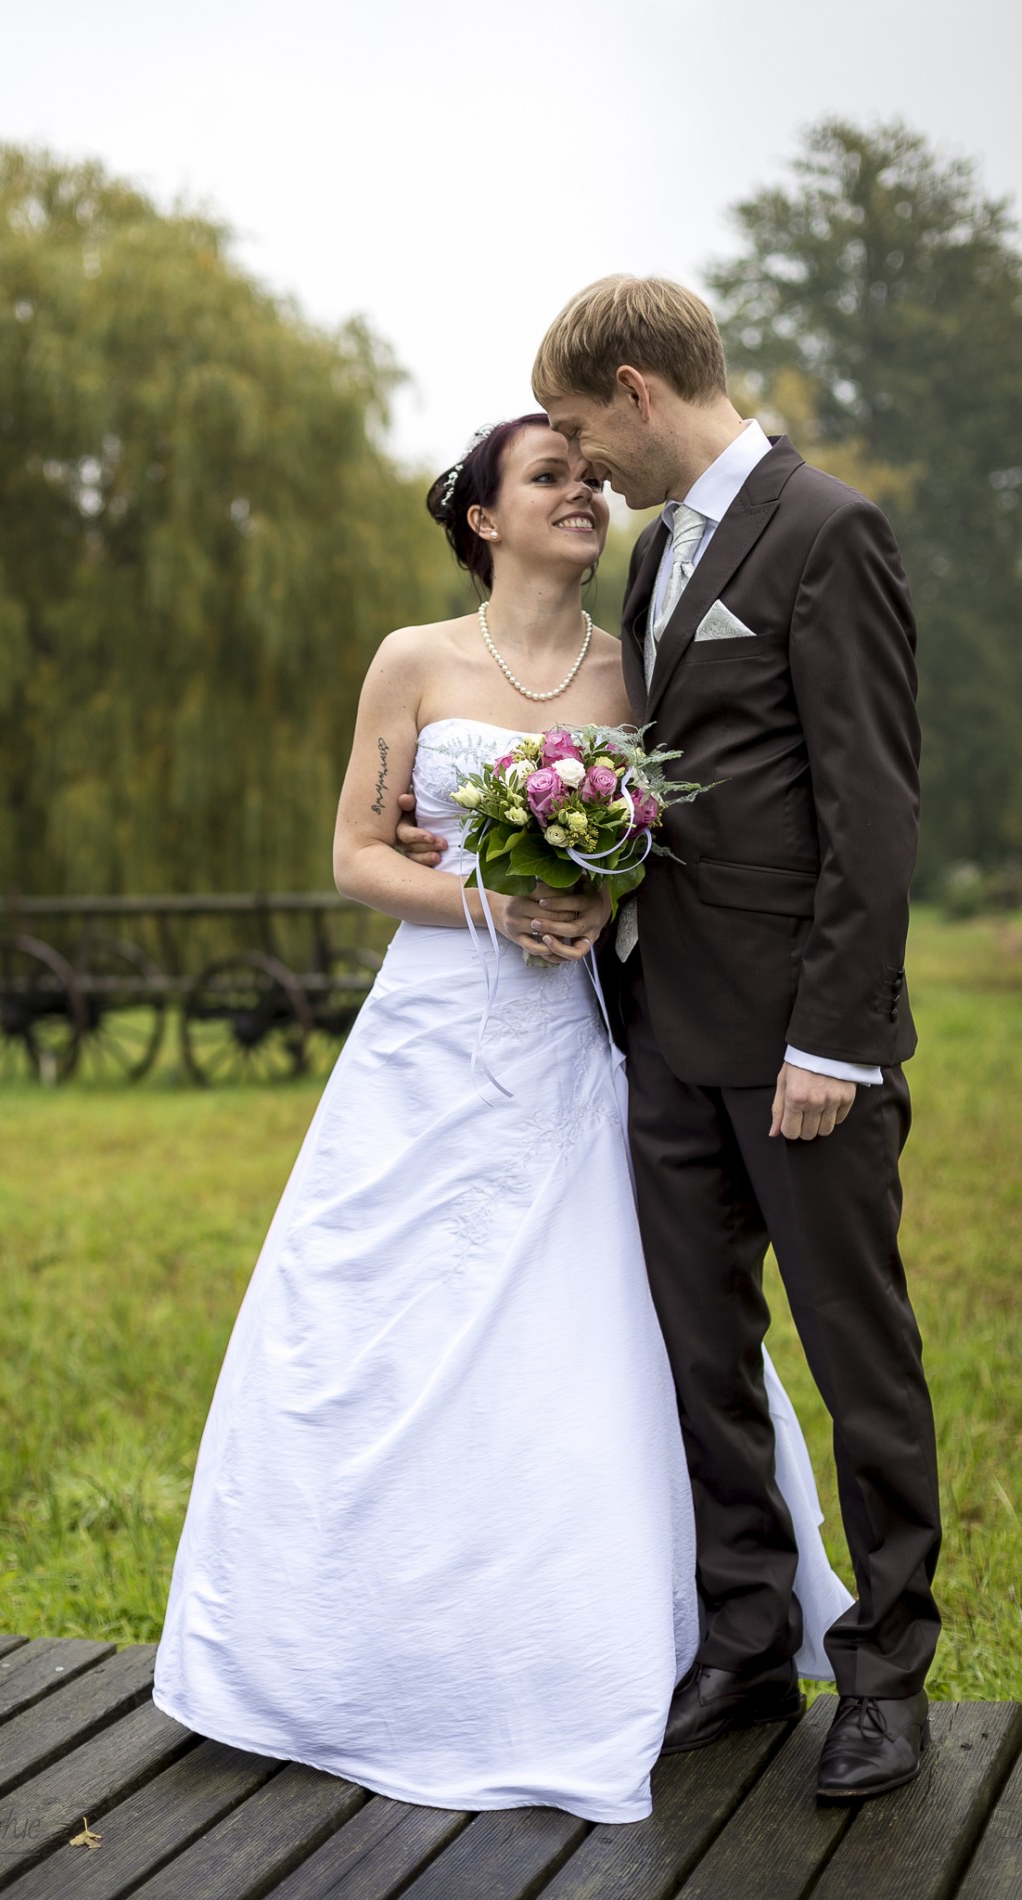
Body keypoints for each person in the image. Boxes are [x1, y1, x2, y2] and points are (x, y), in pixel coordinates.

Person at [152, 412, 850, 1825]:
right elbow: (355, 852)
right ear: (483, 516)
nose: (584, 493)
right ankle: (340, 1649)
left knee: (591, 1340)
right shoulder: (412, 661)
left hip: (579, 1052)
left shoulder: (632, 669)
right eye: (551, 477)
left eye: (591, 476)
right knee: (365, 1322)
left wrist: (601, 892)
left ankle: (589, 1640)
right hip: (426, 1042)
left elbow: (679, 845)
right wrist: (487, 896)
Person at [398, 278, 941, 1804]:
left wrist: (832, 1044)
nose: (581, 465)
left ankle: (886, 1670)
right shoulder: (652, 557)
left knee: (859, 1360)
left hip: (800, 1057)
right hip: (660, 1043)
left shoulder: (826, 529)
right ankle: (748, 1644)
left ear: (636, 392)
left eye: (578, 430)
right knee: (703, 1358)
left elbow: (871, 807)